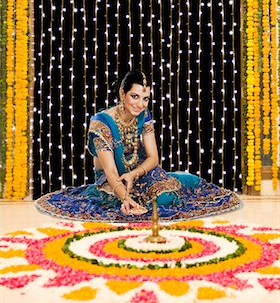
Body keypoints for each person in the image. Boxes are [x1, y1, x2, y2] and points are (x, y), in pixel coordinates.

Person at [35, 70, 241, 222]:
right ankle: (128, 195)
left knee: (166, 198)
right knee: (119, 203)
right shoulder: (101, 123)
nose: (140, 104)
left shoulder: (144, 116)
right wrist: (124, 196)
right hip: (111, 177)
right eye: (135, 96)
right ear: (122, 94)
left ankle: (176, 178)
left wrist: (134, 174)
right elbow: (110, 169)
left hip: (140, 172)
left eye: (145, 99)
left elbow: (153, 157)